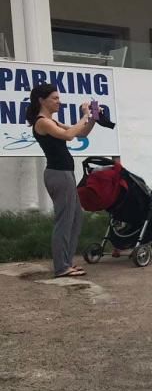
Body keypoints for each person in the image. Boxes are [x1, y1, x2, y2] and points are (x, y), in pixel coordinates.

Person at [25, 83, 96, 278]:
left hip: (65, 174)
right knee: (64, 220)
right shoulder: (42, 122)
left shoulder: (52, 121)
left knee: (75, 219)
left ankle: (66, 263)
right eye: (55, 98)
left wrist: (93, 117)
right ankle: (61, 267)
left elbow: (81, 133)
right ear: (42, 100)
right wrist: (83, 115)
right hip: (58, 174)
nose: (59, 102)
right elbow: (68, 135)